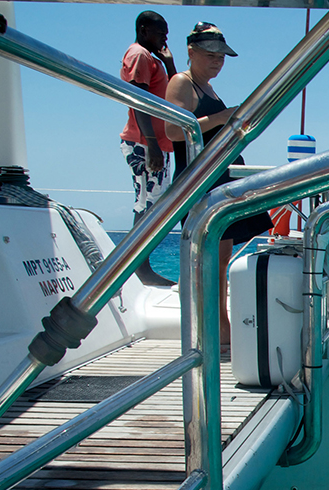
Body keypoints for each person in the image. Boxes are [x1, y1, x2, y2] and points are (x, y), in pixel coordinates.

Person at [165, 22, 272, 347]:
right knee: (207, 263)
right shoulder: (182, 83)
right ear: (191, 51)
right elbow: (172, 131)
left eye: (222, 56)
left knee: (221, 262)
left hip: (221, 182)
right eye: (211, 54)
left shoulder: (207, 88)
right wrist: (223, 117)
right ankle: (212, 334)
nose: (217, 61)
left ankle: (221, 331)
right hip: (201, 184)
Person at [120, 10, 177, 287]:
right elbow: (138, 99)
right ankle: (139, 269)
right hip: (144, 143)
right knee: (146, 205)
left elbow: (175, 96)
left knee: (153, 205)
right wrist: (152, 143)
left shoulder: (152, 59)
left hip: (156, 143)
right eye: (160, 33)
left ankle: (141, 265)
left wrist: (170, 64)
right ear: (144, 30)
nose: (165, 39)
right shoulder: (139, 55)